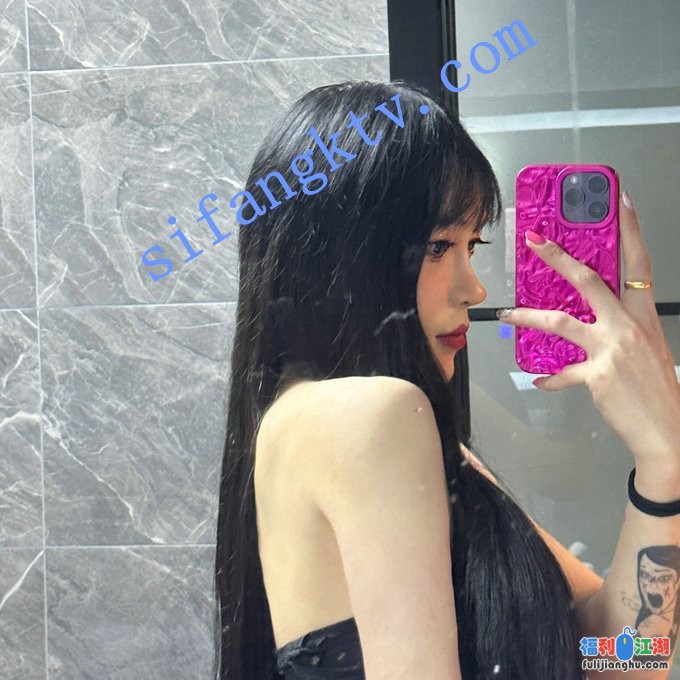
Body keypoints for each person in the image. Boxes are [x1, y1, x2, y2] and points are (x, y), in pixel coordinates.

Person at [211, 80, 680, 680]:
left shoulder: (375, 433)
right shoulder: (372, 416)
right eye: (438, 247)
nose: (474, 289)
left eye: (472, 245)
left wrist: (663, 459)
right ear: (342, 250)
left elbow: (621, 659)